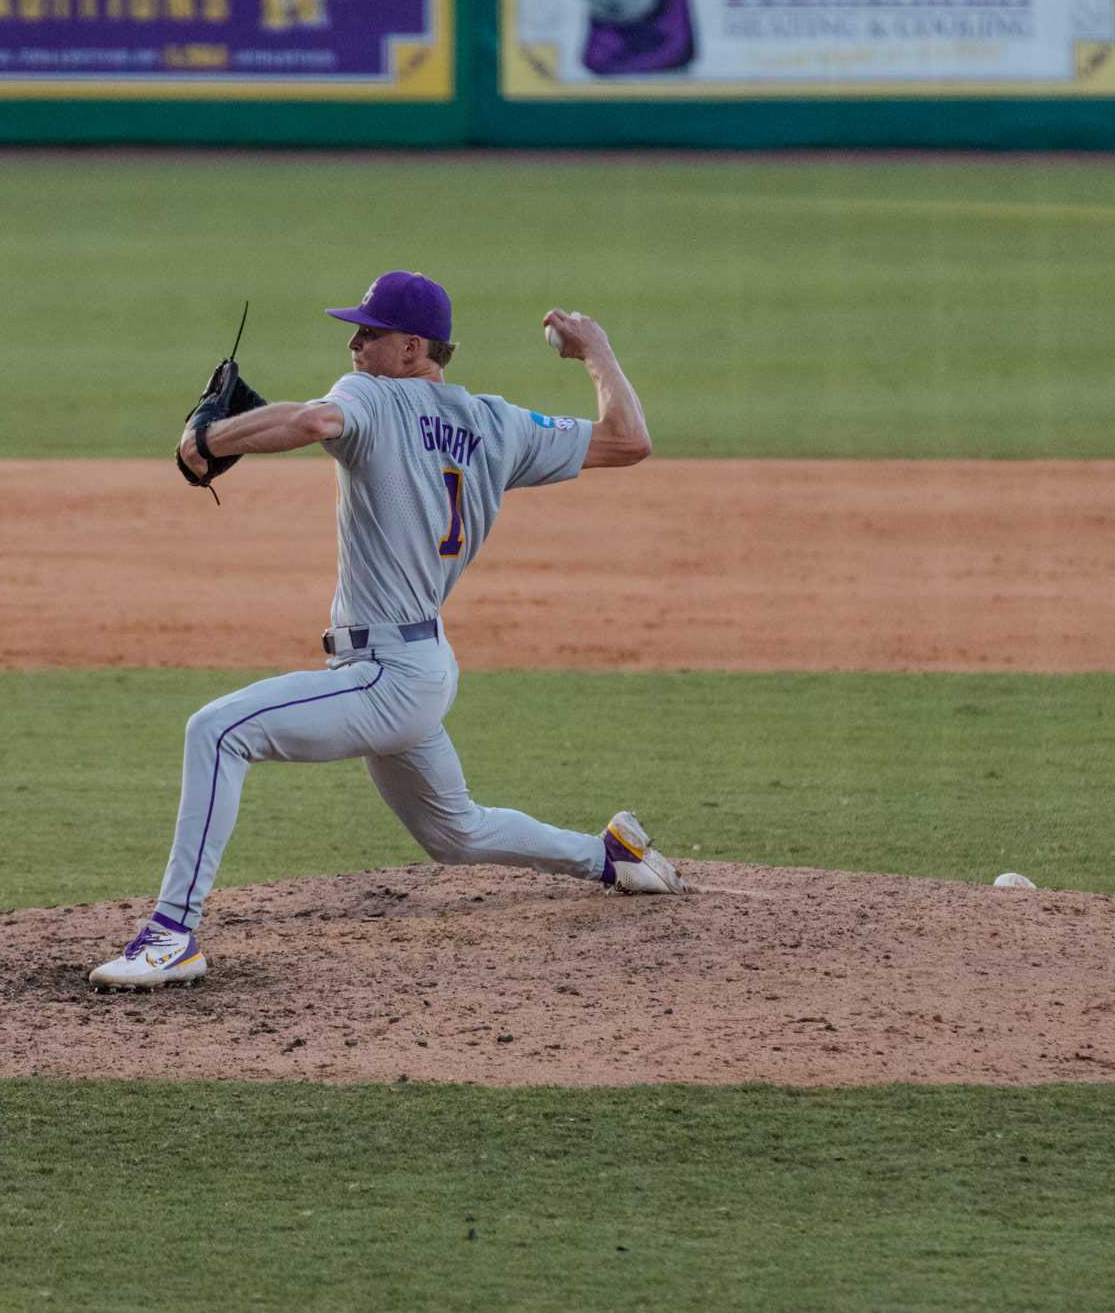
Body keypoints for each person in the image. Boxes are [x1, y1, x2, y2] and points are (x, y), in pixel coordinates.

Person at [89, 271, 680, 989]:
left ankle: (171, 934)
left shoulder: (372, 394)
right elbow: (630, 440)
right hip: (421, 666)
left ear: (410, 348)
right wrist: (597, 352)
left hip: (385, 677)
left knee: (217, 731)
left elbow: (312, 421)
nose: (352, 343)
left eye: (366, 333)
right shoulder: (496, 423)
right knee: (455, 831)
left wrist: (206, 436)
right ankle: (607, 855)